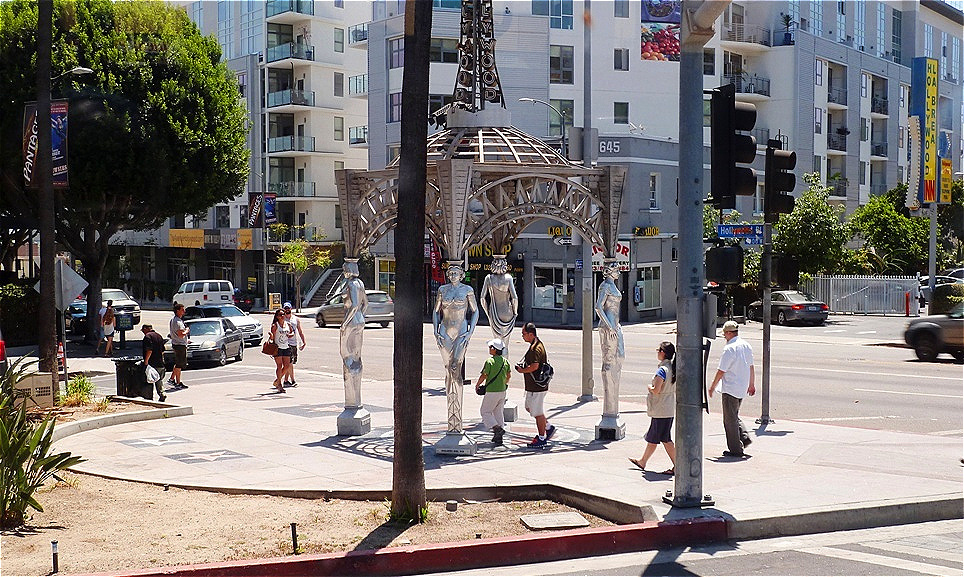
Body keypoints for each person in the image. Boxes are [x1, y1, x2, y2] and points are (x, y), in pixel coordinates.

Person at [433, 263, 479, 432]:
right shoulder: (442, 290)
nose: (453, 275)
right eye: (450, 272)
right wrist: (435, 330)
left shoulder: (467, 290)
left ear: (461, 275)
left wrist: (470, 332)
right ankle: (451, 406)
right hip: (445, 331)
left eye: (456, 273)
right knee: (447, 369)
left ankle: (456, 414)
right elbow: (436, 311)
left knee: (455, 368)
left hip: (461, 331)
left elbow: (475, 311)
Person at [629, 341, 677, 475]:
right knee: (658, 437)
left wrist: (649, 387)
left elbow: (656, 390)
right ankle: (643, 461)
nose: (657, 352)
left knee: (664, 439)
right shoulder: (673, 368)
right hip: (667, 408)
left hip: (661, 409)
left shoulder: (662, 370)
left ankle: (678, 465)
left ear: (663, 353)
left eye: (658, 350)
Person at [709, 320, 756, 457]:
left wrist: (712, 387)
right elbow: (751, 366)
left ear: (729, 333)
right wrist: (751, 384)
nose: (724, 336)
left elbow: (721, 370)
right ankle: (744, 438)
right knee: (734, 415)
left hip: (730, 388)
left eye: (724, 334)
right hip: (742, 387)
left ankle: (735, 450)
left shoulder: (729, 349)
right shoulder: (746, 345)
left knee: (729, 420)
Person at [515, 322, 555, 447]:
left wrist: (522, 370)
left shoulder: (535, 348)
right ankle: (548, 427)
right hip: (533, 386)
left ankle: (542, 438)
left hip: (537, 386)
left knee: (537, 413)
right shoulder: (535, 344)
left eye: (524, 334)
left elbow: (535, 366)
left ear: (531, 334)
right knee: (529, 407)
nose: (522, 336)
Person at [595, 262, 624, 418]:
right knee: (609, 361)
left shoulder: (612, 285)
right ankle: (610, 406)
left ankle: (613, 399)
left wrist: (615, 326)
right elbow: (598, 307)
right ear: (610, 271)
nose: (619, 271)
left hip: (615, 325)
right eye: (616, 269)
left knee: (620, 357)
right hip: (609, 327)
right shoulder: (604, 286)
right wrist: (610, 326)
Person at [340, 259, 368, 408]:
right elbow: (366, 304)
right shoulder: (361, 283)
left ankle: (352, 399)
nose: (343, 271)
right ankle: (356, 398)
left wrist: (345, 323)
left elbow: (355, 305)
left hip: (351, 321)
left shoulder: (351, 284)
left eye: (345, 268)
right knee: (356, 356)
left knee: (346, 356)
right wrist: (360, 317)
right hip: (359, 321)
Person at [479, 255, 518, 356]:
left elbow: (482, 298)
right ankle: (505, 367)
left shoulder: (489, 278)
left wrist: (487, 312)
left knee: (497, 342)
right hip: (507, 312)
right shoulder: (508, 278)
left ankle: (497, 365)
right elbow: (514, 298)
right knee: (505, 344)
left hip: (494, 312)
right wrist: (515, 311)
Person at [476, 338, 511, 445]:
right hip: (502, 391)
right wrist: (504, 384)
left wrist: (477, 385)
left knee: (485, 412)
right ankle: (498, 437)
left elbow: (484, 375)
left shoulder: (489, 361)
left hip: (492, 391)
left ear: (495, 349)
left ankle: (497, 429)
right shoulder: (505, 361)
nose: (489, 349)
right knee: (498, 412)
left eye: (491, 347)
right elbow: (508, 376)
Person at [141, 324, 167, 402]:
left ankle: (149, 397)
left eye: (143, 330)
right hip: (160, 362)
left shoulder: (147, 337)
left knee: (149, 380)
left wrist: (146, 362)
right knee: (158, 380)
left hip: (152, 363)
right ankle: (162, 393)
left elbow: (149, 350)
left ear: (146, 329)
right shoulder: (159, 336)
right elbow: (163, 350)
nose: (143, 332)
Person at [270, 309, 293, 393]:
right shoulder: (275, 325)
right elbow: (272, 337)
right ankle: (279, 384)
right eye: (280, 315)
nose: (282, 316)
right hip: (278, 347)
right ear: (277, 317)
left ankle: (277, 380)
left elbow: (292, 332)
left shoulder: (288, 324)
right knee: (279, 366)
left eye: (283, 314)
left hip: (286, 346)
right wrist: (271, 337)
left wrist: (290, 335)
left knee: (287, 366)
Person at [282, 302, 306, 387]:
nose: (287, 310)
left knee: (290, 363)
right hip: (285, 344)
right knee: (289, 363)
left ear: (291, 309)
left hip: (293, 343)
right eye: (285, 308)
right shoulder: (282, 319)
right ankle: (292, 380)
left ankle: (285, 380)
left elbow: (300, 331)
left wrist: (303, 342)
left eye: (288, 308)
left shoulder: (296, 319)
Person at [167, 303, 190, 390]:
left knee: (178, 363)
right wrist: (187, 331)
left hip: (176, 343)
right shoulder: (178, 322)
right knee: (180, 364)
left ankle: (172, 379)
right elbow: (181, 334)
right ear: (178, 311)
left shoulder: (173, 320)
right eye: (182, 309)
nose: (184, 311)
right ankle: (178, 382)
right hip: (180, 345)